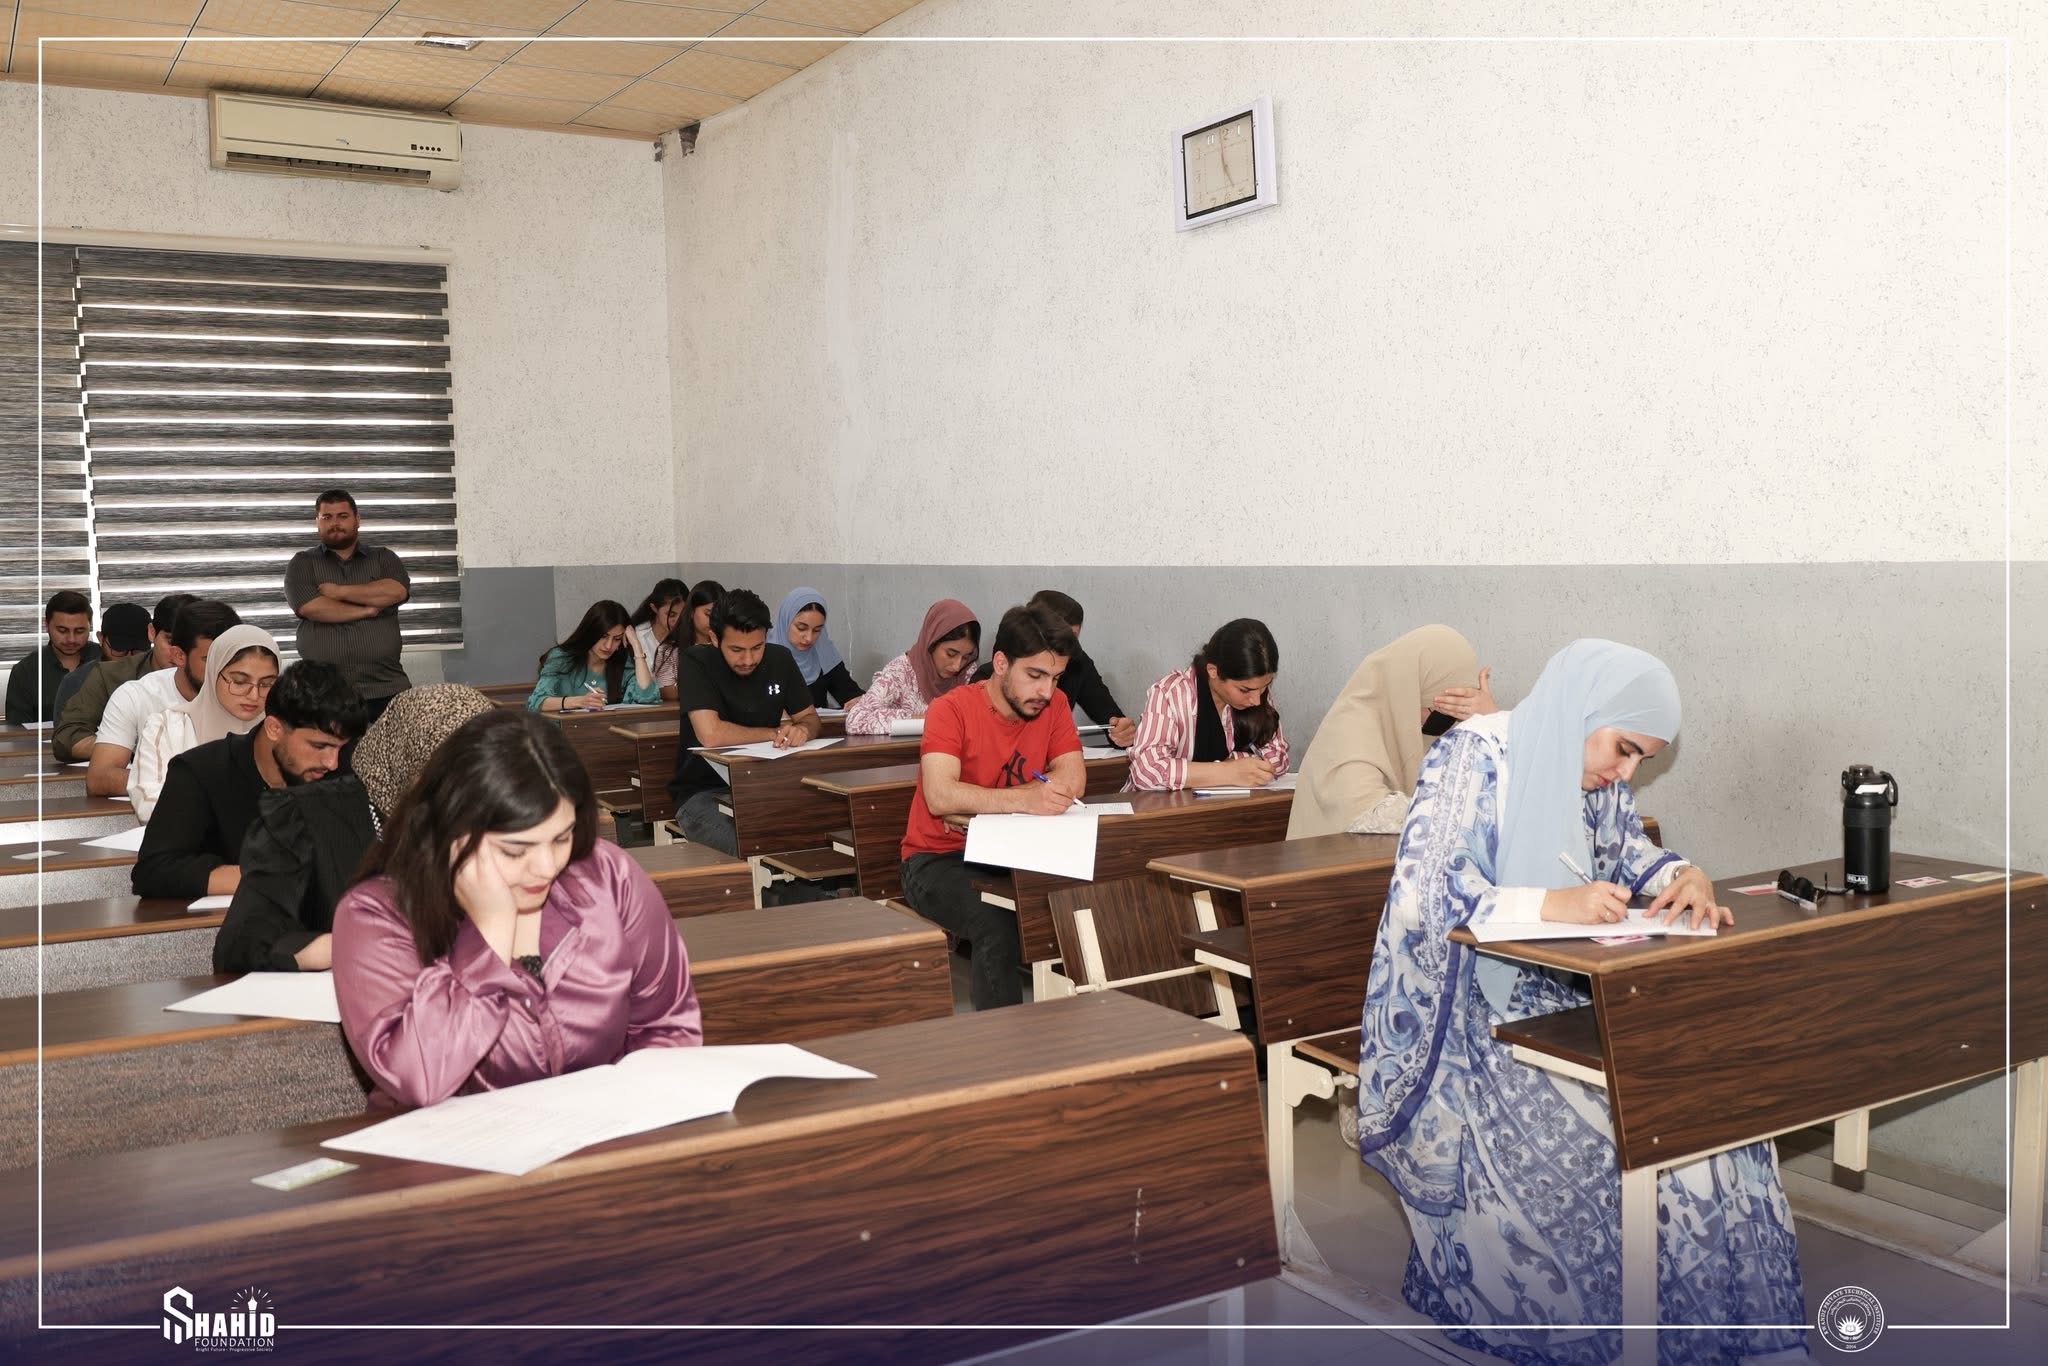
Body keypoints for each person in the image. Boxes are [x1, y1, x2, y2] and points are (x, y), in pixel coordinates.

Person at [1354, 640, 1801, 1364]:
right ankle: (1617, 1324)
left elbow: (1630, 855)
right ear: (1585, 711)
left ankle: (1722, 1329)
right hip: (1473, 1014)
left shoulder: (1595, 780)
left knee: (1716, 1107)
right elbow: (1423, 893)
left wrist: (1688, 876)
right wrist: (1550, 902)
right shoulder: (1474, 756)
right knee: (1622, 1125)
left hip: (1565, 997)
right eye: (1623, 749)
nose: (1624, 773)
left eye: (1640, 761)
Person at [332, 709, 702, 1110]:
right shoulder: (375, 915)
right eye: (515, 850)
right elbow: (416, 1079)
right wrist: (489, 933)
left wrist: (634, 1116)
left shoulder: (607, 876)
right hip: (459, 1144)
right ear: (452, 832)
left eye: (561, 838)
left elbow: (666, 1025)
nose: (546, 867)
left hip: (604, 1130)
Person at [215, 684, 497, 974]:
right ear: (404, 760)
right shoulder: (306, 819)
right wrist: (347, 946)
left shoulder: (496, 820)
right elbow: (241, 944)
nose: (464, 793)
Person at [899, 603, 1084, 1010]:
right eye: (1035, 675)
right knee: (997, 924)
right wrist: (1026, 799)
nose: (1046, 691)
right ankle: (1004, 1042)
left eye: (1055, 678)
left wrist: (982, 807)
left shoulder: (1054, 705)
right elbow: (940, 796)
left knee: (1089, 898)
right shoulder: (950, 710)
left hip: (1013, 851)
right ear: (1001, 664)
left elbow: (1073, 778)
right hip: (937, 859)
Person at [133, 661, 368, 900]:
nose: (332, 762)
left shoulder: (346, 770)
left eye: (340, 747)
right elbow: (154, 870)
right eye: (319, 746)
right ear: (274, 728)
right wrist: (272, 876)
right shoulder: (201, 771)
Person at [1287, 624, 1500, 838]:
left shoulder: (1416, 724)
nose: (1445, 720)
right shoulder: (1349, 729)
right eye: (1440, 710)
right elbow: (1371, 814)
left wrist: (1491, 724)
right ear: (1409, 690)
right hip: (1334, 856)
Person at [667, 589, 821, 855]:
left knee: (811, 834)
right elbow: (711, 734)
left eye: (757, 647)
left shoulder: (780, 658)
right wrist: (774, 733)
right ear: (714, 638)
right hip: (703, 793)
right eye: (736, 650)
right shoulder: (695, 661)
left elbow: (810, 717)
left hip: (764, 787)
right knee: (753, 846)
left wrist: (803, 730)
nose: (748, 659)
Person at [86, 600, 240, 800]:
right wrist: (189, 782)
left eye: (231, 658)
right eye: (209, 658)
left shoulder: (256, 695)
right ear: (179, 655)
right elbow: (100, 778)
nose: (222, 668)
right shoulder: (135, 696)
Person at [285, 488, 411, 723]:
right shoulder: (303, 563)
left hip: (385, 687)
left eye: (342, 516)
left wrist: (338, 592)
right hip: (322, 693)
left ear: (357, 519)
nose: (335, 523)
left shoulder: (384, 558)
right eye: (327, 517)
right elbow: (310, 607)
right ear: (317, 522)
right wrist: (366, 609)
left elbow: (396, 591)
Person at [128, 623, 278, 821]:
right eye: (240, 682)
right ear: (214, 673)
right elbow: (149, 802)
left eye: (267, 684)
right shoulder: (168, 727)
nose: (254, 695)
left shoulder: (285, 733)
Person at [1124, 618, 1288, 792]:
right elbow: (1146, 771)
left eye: (1264, 687)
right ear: (1213, 671)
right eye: (1244, 690)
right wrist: (1228, 772)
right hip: (1162, 807)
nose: (1256, 700)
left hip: (1228, 806)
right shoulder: (1170, 694)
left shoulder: (1256, 692)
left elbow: (1279, 756)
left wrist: (1236, 762)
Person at [970, 590, 1135, 746]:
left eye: (1072, 639)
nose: (1047, 693)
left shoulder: (1077, 663)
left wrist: (1124, 733)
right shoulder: (987, 679)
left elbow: (1112, 719)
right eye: (1034, 675)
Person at [52, 595, 192, 762]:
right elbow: (67, 738)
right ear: (152, 632)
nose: (179, 654)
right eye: (171, 642)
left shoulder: (213, 675)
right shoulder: (110, 675)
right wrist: (125, 745)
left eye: (189, 645)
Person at [844, 599, 979, 735]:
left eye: (966, 657)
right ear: (931, 642)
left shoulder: (968, 673)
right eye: (951, 654)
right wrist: (920, 718)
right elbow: (856, 720)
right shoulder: (900, 672)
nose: (957, 666)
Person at [524, 601, 658, 713]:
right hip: (566, 732)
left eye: (617, 639)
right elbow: (536, 702)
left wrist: (636, 645)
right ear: (591, 632)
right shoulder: (562, 658)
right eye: (603, 636)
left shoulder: (622, 662)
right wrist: (579, 701)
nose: (608, 646)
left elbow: (646, 697)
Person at [48, 602, 148, 729]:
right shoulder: (76, 682)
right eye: (119, 650)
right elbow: (65, 735)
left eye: (137, 651)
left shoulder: (162, 677)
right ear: (100, 638)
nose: (129, 658)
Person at [4, 589, 97, 724]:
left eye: (79, 631)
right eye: (62, 630)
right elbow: (18, 730)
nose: (71, 639)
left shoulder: (107, 661)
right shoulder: (25, 671)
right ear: (46, 625)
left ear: (90, 626)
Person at [774, 587, 864, 710]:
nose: (809, 638)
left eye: (817, 630)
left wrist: (861, 701)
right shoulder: (762, 654)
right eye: (801, 628)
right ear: (786, 620)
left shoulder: (823, 653)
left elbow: (850, 694)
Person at [654, 579, 726, 702]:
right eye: (708, 614)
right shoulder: (669, 649)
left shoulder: (729, 645)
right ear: (692, 612)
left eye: (720, 616)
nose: (714, 620)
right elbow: (666, 690)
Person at [629, 578, 688, 662]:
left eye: (684, 614)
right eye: (671, 615)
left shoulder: (691, 636)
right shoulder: (637, 636)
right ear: (654, 608)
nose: (678, 621)